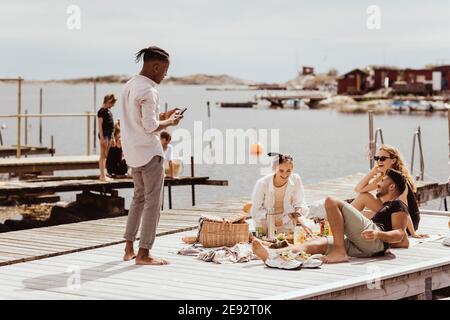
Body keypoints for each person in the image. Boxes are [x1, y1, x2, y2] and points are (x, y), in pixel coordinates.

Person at [252, 169, 411, 264]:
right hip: (366, 247)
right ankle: (273, 256)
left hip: (375, 242)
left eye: (382, 181)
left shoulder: (398, 205)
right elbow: (403, 242)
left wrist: (378, 234)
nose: (378, 184)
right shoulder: (385, 207)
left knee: (331, 201)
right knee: (316, 244)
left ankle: (339, 251)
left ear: (391, 186)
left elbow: (400, 234)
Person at [120, 46, 183, 265]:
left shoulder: (130, 85)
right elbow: (150, 127)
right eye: (164, 70)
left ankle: (129, 248)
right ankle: (144, 253)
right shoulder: (149, 90)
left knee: (138, 198)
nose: (165, 75)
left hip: (132, 152)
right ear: (155, 66)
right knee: (153, 203)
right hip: (149, 153)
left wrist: (162, 116)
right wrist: (170, 122)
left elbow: (138, 120)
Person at [352, 144, 427, 238]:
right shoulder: (384, 177)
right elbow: (359, 189)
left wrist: (413, 233)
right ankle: (337, 223)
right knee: (363, 201)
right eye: (377, 158)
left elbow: (403, 207)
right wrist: (372, 172)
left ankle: (337, 223)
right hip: (392, 214)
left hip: (405, 223)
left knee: (361, 212)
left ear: (393, 160)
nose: (379, 161)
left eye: (382, 158)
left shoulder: (398, 180)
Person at [250, 152, 311, 235]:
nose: (285, 174)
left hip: (287, 218)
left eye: (288, 171)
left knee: (305, 228)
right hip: (266, 220)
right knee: (266, 234)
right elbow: (255, 211)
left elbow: (299, 203)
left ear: (292, 169)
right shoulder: (262, 183)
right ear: (274, 169)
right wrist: (272, 220)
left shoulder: (296, 179)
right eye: (281, 170)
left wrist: (298, 215)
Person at [97, 94, 117, 181]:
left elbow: (111, 126)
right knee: (103, 155)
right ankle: (102, 175)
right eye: (112, 103)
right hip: (104, 134)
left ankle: (104, 174)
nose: (113, 105)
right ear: (108, 101)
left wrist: (113, 137)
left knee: (106, 155)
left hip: (109, 134)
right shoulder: (101, 111)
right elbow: (100, 126)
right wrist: (102, 138)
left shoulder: (108, 111)